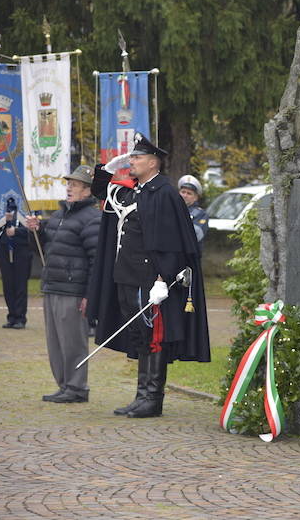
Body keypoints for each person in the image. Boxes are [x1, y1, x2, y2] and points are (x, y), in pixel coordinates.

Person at [87, 132, 210, 418]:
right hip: (127, 275)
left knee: (153, 337)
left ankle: (152, 398)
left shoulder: (164, 193)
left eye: (137, 157)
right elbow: (101, 193)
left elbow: (173, 242)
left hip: (151, 280)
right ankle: (141, 395)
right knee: (139, 336)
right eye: (132, 156)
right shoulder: (137, 191)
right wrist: (106, 170)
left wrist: (162, 279)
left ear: (153, 162)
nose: (132, 161)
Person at [25, 165, 100, 403]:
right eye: (69, 183)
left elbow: (96, 260)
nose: (69, 188)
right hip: (52, 286)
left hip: (74, 291)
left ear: (87, 191)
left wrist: (89, 294)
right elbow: (45, 249)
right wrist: (35, 231)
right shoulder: (58, 215)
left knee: (73, 342)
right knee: (56, 342)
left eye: (75, 185)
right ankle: (64, 385)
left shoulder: (92, 218)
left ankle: (77, 388)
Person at [0, 198, 33, 329]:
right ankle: (11, 316)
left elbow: (33, 229)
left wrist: (17, 231)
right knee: (8, 284)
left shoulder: (28, 204)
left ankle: (20, 318)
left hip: (22, 249)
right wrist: (5, 220)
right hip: (5, 248)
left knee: (20, 284)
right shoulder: (0, 203)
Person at [177, 174, 209, 244]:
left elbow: (196, 235)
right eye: (183, 192)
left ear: (195, 198)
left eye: (189, 193)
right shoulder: (170, 209)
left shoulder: (201, 214)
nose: (185, 195)